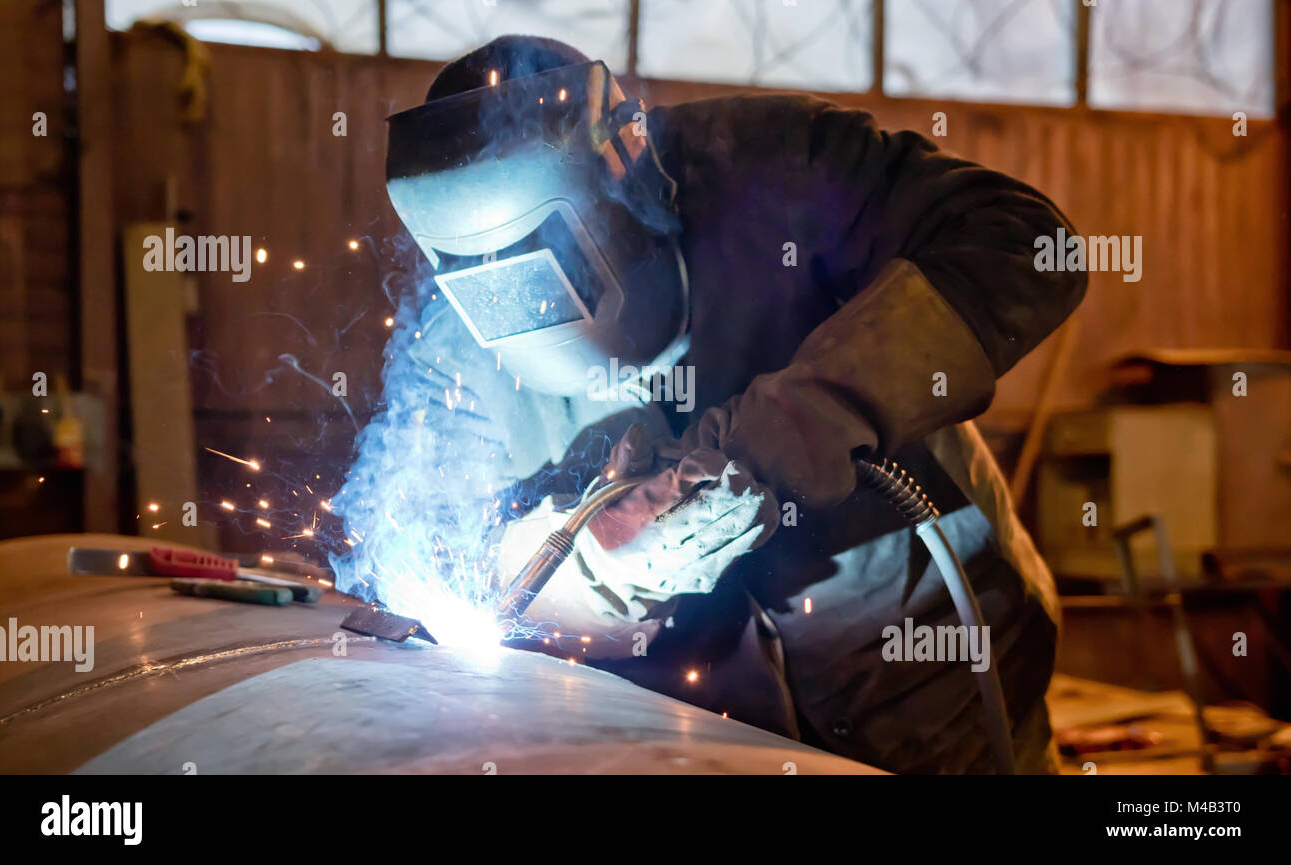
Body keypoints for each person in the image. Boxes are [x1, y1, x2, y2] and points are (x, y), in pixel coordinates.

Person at [381, 35, 1086, 773]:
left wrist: (793, 426)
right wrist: (603, 569)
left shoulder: (768, 164)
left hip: (930, 678)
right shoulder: (450, 346)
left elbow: (1032, 244)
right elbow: (446, 562)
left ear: (627, 164)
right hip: (703, 742)